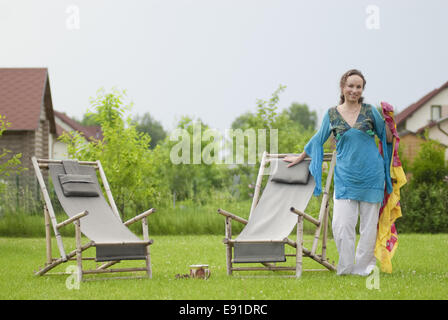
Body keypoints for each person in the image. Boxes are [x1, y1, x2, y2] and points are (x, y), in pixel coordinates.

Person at [284, 69, 393, 276]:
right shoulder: (332, 114)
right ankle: (345, 268)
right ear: (343, 87)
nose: (354, 90)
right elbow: (318, 139)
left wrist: (390, 122)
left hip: (372, 175)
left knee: (369, 228)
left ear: (362, 90)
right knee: (341, 226)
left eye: (358, 87)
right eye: (350, 86)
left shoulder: (370, 111)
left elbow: (386, 138)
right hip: (345, 178)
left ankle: (363, 268)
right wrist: (300, 157)